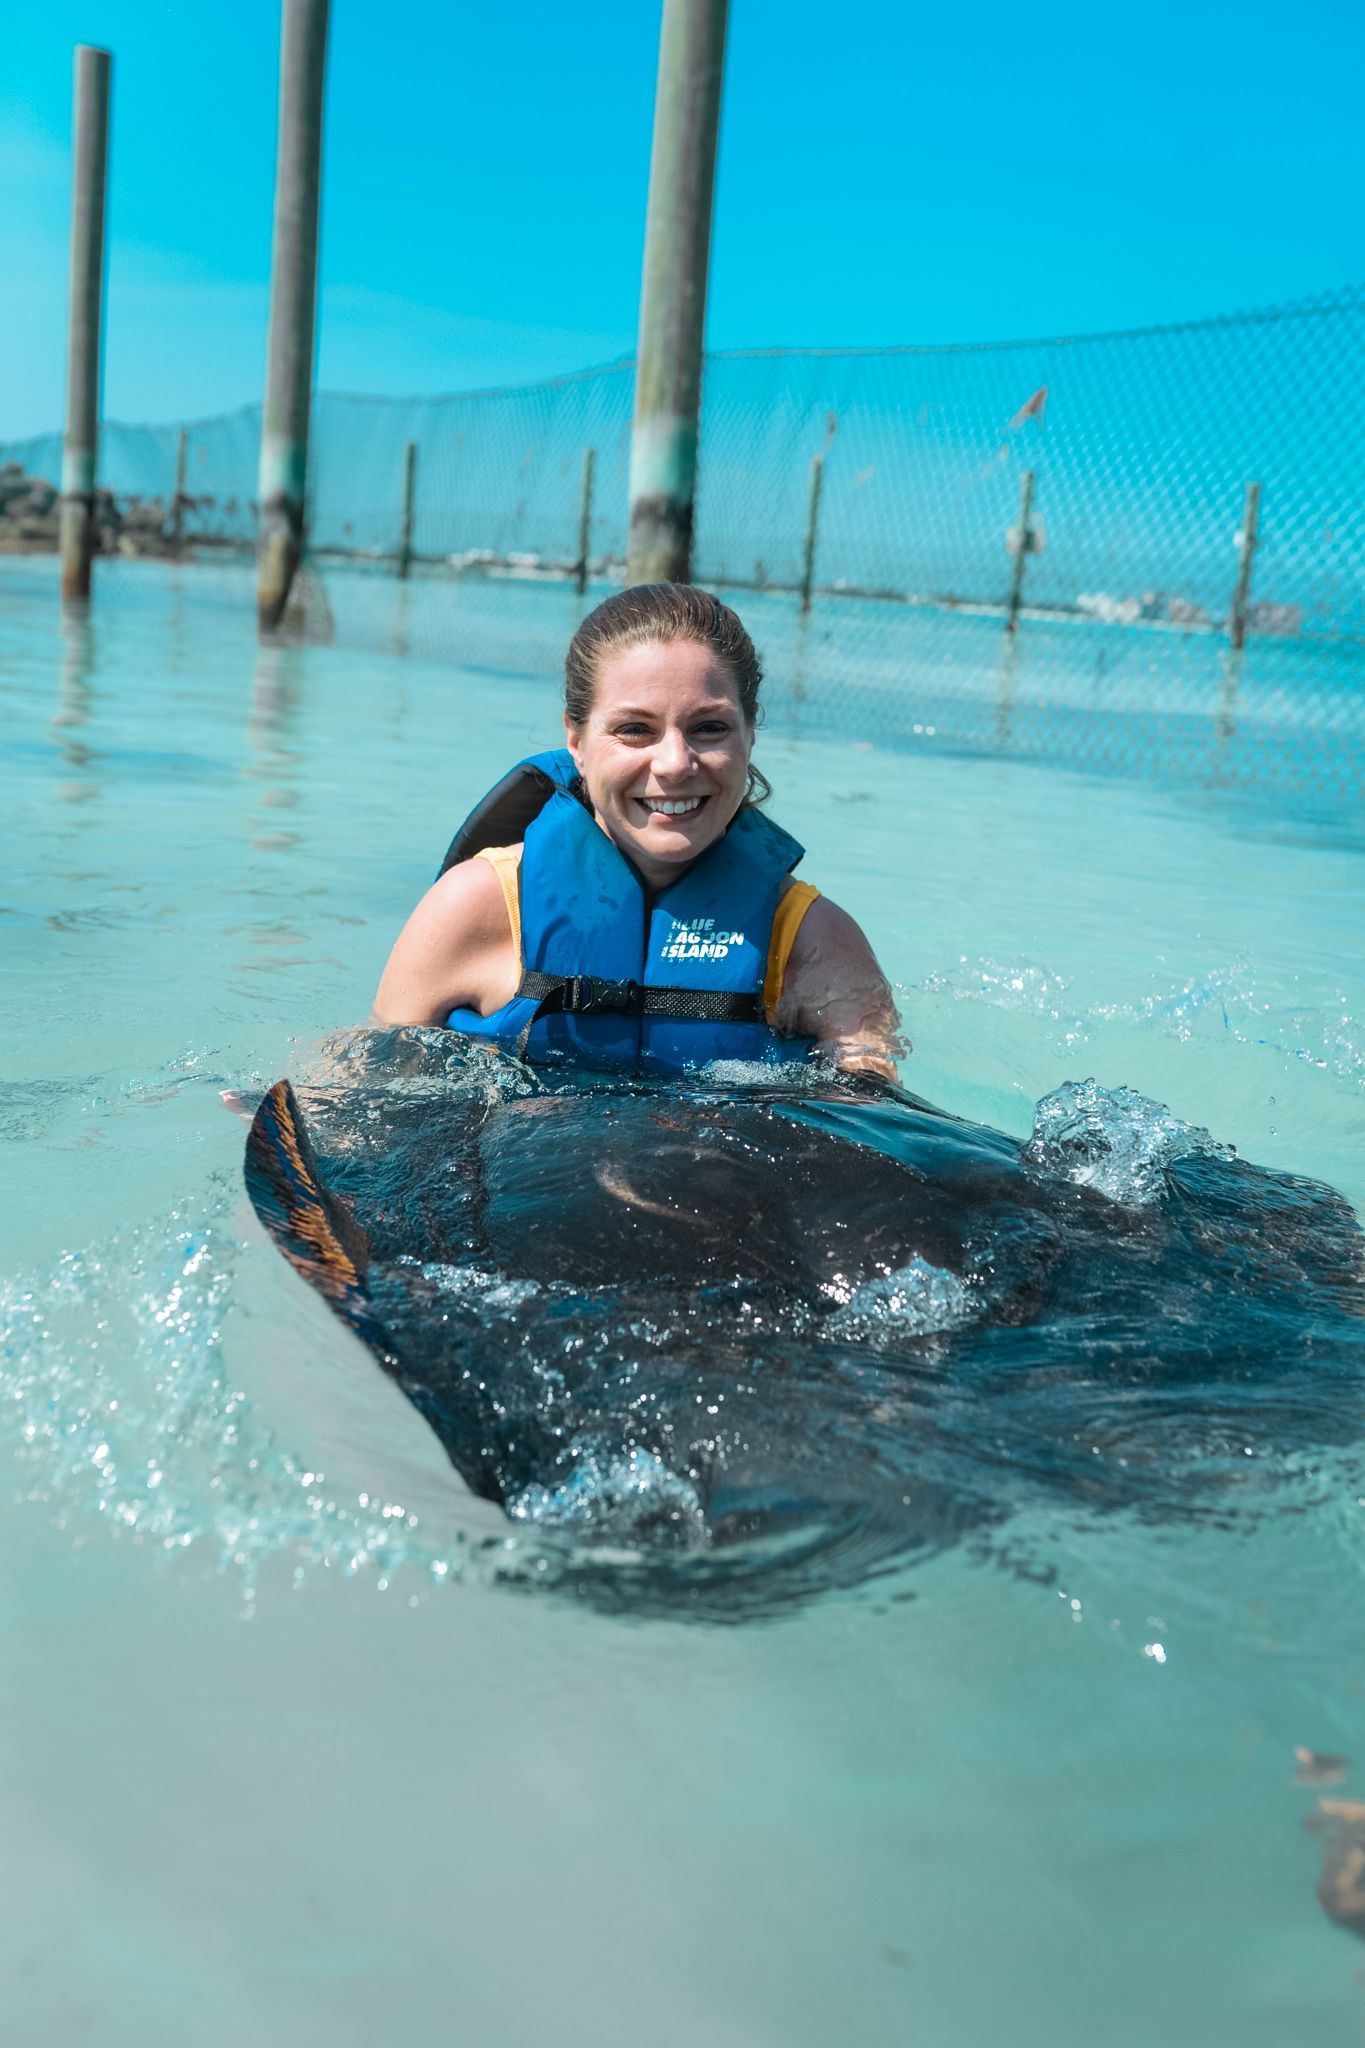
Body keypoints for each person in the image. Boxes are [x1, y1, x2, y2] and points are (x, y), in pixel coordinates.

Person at [374, 583, 903, 1078]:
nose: (675, 763)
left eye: (710, 728)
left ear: (749, 735)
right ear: (576, 740)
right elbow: (363, 1100)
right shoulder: (474, 908)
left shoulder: (817, 944)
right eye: (635, 730)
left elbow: (869, 1125)